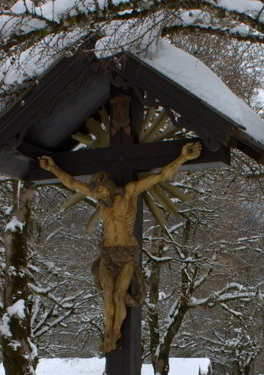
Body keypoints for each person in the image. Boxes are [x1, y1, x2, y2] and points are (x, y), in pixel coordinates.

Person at [39, 141, 202, 352]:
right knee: (107, 294)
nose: (99, 195)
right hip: (107, 253)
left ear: (108, 185)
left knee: (118, 296)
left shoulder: (129, 193)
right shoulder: (101, 200)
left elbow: (161, 176)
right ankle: (108, 332)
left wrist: (183, 157)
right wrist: (52, 168)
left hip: (126, 254)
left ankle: (116, 331)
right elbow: (70, 183)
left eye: (100, 191)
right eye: (95, 192)